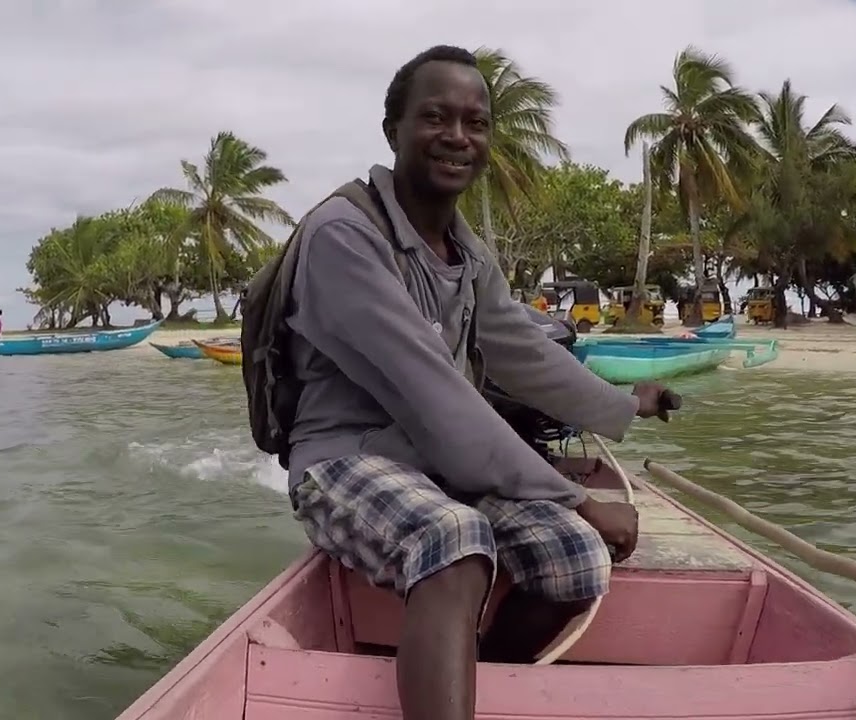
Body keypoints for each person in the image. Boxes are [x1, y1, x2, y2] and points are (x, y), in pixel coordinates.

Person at [277, 46, 676, 720]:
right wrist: (580, 498)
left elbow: (523, 354)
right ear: (393, 131)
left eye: (476, 122)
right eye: (435, 117)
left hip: (432, 464)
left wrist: (621, 405)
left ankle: (467, 682)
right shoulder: (343, 235)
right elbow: (439, 396)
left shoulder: (466, 253)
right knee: (454, 541)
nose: (459, 137)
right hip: (343, 458)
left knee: (575, 561)